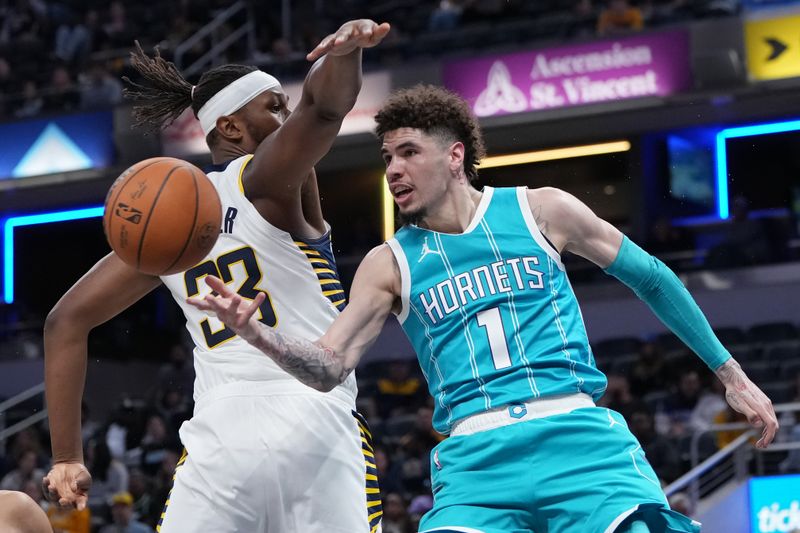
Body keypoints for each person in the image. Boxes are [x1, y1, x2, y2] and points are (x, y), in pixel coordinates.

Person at [191, 84, 780, 533]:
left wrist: (732, 376)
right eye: (386, 156)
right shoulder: (388, 262)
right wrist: (256, 331)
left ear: (453, 156)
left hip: (580, 439)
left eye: (407, 152)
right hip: (475, 464)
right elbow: (328, 365)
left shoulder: (542, 210)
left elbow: (653, 278)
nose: (392, 169)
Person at [42, 19, 390, 533]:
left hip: (220, 439)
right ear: (230, 126)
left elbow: (64, 322)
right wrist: (346, 54)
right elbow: (324, 107)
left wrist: (67, 455)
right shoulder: (271, 181)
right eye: (275, 106)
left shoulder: (166, 224)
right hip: (315, 419)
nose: (286, 116)